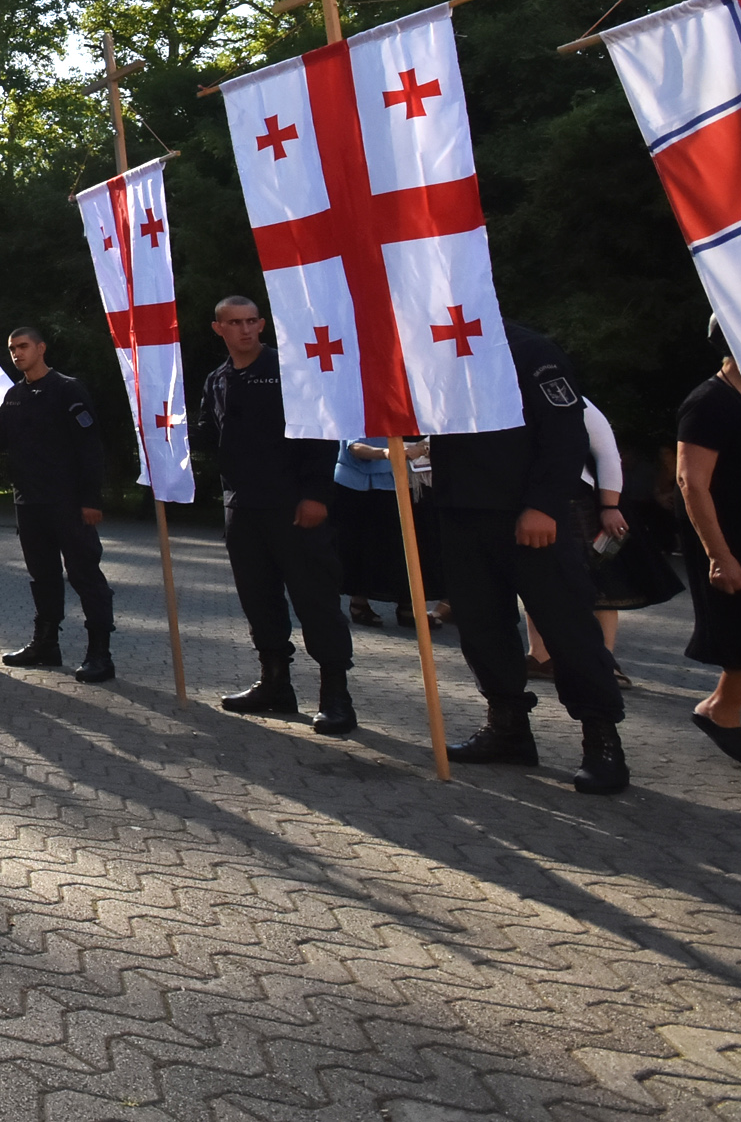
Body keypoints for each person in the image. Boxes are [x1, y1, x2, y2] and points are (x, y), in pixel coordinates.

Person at [431, 323, 627, 794]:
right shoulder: (434, 351)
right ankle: (508, 728)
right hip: (461, 514)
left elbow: (565, 433)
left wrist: (543, 504)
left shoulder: (532, 350)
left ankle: (601, 740)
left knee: (568, 631)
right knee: (481, 629)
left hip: (529, 517)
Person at [192, 296, 352, 733]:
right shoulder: (218, 379)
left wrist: (317, 493)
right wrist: (164, 434)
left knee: (315, 600)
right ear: (218, 328)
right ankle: (275, 683)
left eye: (252, 322)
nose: (246, 330)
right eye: (235, 323)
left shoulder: (290, 371)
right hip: (243, 508)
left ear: (262, 324)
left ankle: (336, 694)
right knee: (258, 600)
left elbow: (319, 432)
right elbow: (209, 435)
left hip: (293, 506)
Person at [0, 325, 114, 682]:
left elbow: (89, 447)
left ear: (41, 348)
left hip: (67, 503)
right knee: (42, 576)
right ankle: (46, 645)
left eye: (23, 346)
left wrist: (91, 499)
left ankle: (100, 654)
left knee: (84, 574)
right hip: (29, 502)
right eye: (12, 348)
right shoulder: (15, 396)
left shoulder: (67, 389)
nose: (17, 353)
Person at [527, 396, 680, 685]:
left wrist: (610, 507)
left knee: (600, 580)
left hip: (582, 501)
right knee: (537, 577)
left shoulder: (572, 400)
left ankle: (604, 659)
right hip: (529, 501)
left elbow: (608, 453)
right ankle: (541, 656)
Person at [678, 338, 741, 768]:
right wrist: (719, 555)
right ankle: (720, 710)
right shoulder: (710, 402)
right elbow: (691, 482)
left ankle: (719, 708)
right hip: (735, 541)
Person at [331, 439, 418, 628]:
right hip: (357, 484)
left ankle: (408, 604)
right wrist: (386, 453)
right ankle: (359, 602)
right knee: (362, 546)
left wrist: (422, 447)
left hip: (401, 480)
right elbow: (354, 446)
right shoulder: (357, 408)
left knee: (404, 546)